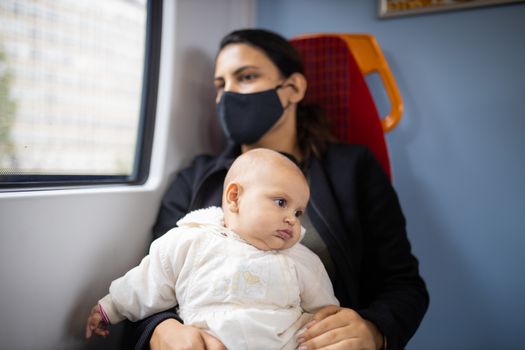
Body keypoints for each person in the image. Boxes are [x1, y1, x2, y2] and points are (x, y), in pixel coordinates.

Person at [129, 28, 429, 350]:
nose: (228, 95)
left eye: (246, 77)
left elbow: (403, 285)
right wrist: (161, 330)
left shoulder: (352, 168)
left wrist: (373, 330)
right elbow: (151, 276)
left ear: (293, 88)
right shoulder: (196, 177)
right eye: (221, 85)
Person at [86, 148, 339, 350]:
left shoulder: (302, 260)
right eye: (281, 202)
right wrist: (111, 307)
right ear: (234, 198)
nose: (292, 219)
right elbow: (149, 281)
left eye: (298, 212)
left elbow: (325, 313)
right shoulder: (191, 240)